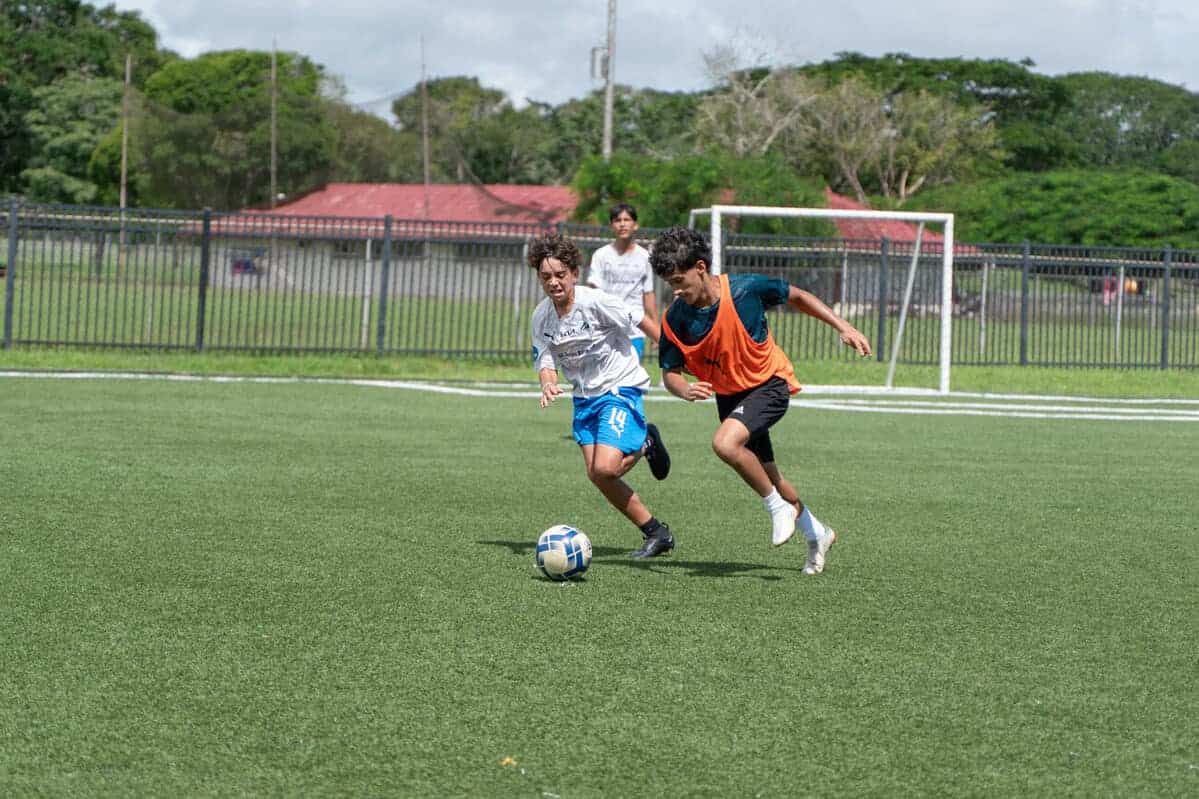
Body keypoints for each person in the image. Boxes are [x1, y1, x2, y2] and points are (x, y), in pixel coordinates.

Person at [648, 226, 873, 575]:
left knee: (725, 443)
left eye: (680, 280)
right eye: (669, 284)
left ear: (701, 267)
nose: (676, 290)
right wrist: (683, 389)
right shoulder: (675, 318)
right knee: (772, 478)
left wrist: (842, 325)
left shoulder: (745, 289)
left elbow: (796, 296)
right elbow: (670, 373)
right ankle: (818, 533)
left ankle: (776, 508)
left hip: (770, 384)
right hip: (731, 396)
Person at [529, 232, 675, 559]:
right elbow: (545, 358)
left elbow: (638, 319)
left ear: (575, 274)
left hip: (618, 386)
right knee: (597, 475)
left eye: (560, 275)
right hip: (585, 399)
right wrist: (548, 383)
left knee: (607, 468)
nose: (554, 282)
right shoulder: (541, 316)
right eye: (546, 277)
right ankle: (656, 532)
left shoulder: (594, 301)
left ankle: (645, 442)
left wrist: (671, 356)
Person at [587, 203, 660, 360]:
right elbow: (593, 292)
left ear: (635, 225)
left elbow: (648, 294)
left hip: (634, 329)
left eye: (627, 220)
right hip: (605, 327)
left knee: (630, 376)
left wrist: (655, 329)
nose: (622, 224)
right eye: (617, 220)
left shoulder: (644, 257)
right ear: (611, 225)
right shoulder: (600, 255)